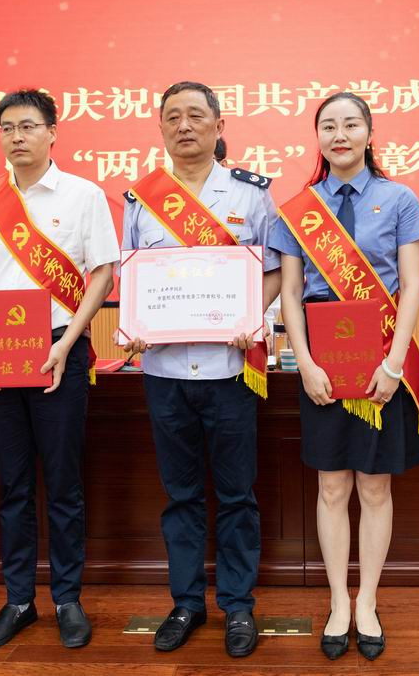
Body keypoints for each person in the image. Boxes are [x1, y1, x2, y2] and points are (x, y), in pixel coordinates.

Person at [269, 92, 419, 661]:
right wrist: (305, 362)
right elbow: (291, 292)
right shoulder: (300, 208)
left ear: (369, 132)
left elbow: (410, 287)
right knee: (332, 486)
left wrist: (394, 364)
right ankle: (338, 600)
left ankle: (368, 601)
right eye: (328, 126)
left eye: (350, 125)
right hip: (321, 364)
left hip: (383, 361)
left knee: (375, 486)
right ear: (317, 136)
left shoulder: (400, 198)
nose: (339, 135)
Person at [120, 81, 281, 658]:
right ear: (161, 128)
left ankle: (238, 606)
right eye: (172, 117)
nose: (183, 126)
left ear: (218, 124)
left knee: (237, 495)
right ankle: (186, 603)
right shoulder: (141, 199)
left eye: (194, 115)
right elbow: (131, 275)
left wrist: (253, 317)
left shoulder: (252, 196)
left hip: (231, 369)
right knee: (180, 495)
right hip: (164, 371)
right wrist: (134, 324)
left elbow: (275, 271)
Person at [0, 89, 118, 650]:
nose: (17, 136)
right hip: (0, 353)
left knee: (64, 483)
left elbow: (102, 273)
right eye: (7, 128)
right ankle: (18, 600)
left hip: (58, 349)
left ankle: (67, 599)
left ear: (52, 132)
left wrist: (68, 343)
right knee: (13, 484)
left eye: (27, 126)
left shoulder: (83, 195)